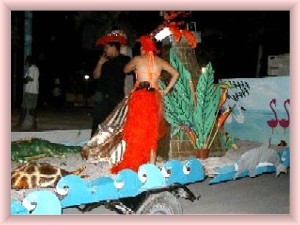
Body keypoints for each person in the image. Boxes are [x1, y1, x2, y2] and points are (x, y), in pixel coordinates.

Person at [111, 35, 179, 174]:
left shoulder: (138, 59)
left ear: (143, 48)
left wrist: (135, 67)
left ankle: (136, 161)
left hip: (140, 97)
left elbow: (125, 70)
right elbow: (176, 74)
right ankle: (152, 163)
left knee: (136, 130)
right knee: (151, 130)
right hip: (154, 97)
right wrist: (165, 90)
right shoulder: (160, 61)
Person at [91, 32, 131, 137]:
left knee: (115, 123)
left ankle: (112, 146)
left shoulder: (124, 60)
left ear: (113, 47)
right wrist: (100, 63)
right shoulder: (104, 60)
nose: (105, 50)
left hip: (115, 96)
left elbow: (130, 71)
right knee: (98, 121)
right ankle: (94, 145)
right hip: (101, 95)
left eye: (106, 47)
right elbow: (95, 76)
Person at [15, 55, 40, 130]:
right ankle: (21, 124)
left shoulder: (31, 68)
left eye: (26, 61)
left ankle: (31, 125)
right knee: (25, 108)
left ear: (29, 61)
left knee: (28, 109)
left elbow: (30, 78)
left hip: (30, 91)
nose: (25, 62)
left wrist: (23, 80)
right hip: (34, 91)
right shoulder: (36, 68)